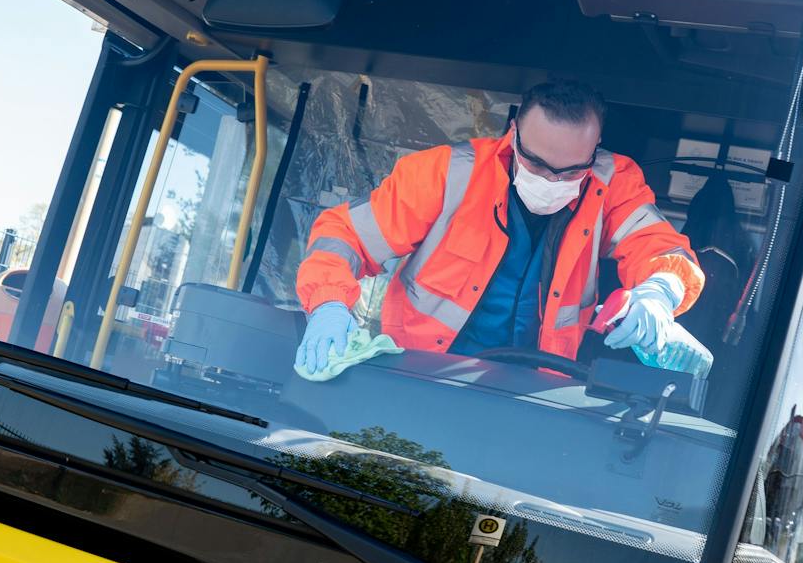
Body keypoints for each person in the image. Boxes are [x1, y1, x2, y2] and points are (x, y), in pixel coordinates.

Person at [295, 79, 704, 376]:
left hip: (534, 391)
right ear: (513, 136)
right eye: (538, 164)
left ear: (593, 152)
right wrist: (329, 304)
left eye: (571, 170)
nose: (552, 180)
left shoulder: (613, 182)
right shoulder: (445, 174)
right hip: (420, 373)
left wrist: (659, 292)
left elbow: (661, 250)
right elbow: (345, 235)